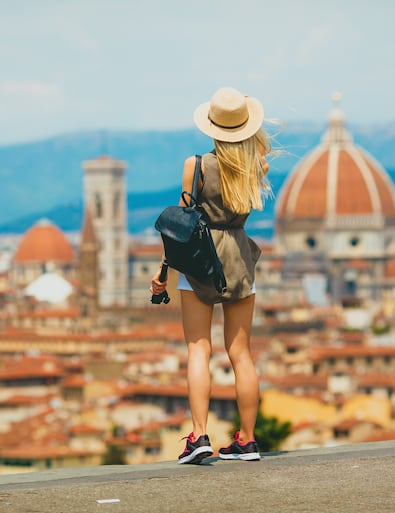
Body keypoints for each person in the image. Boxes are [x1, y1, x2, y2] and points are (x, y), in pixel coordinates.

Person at [150, 86, 272, 464]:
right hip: (239, 256)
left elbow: (182, 225)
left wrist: (164, 271)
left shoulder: (196, 165)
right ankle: (247, 440)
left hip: (200, 259)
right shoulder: (257, 166)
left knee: (198, 347)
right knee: (241, 353)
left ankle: (199, 436)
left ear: (212, 127)